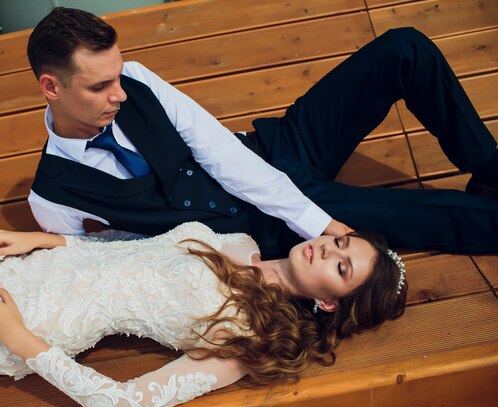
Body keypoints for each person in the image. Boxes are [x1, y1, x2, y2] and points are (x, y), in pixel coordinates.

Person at [0, 176, 407, 407]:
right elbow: (134, 252)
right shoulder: (240, 241)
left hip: (18, 320)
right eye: (339, 240)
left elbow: (126, 406)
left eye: (341, 266)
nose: (325, 248)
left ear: (332, 303)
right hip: (34, 272)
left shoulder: (250, 337)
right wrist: (54, 238)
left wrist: (22, 342)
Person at [28, 8, 498, 258]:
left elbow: (220, 154)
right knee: (436, 216)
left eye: (117, 74)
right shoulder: (53, 194)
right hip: (263, 230)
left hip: (271, 153)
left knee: (403, 49)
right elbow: (89, 261)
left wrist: (318, 219)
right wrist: (325, 229)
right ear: (52, 86)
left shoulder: (137, 79)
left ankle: (491, 168)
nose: (121, 93)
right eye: (100, 85)